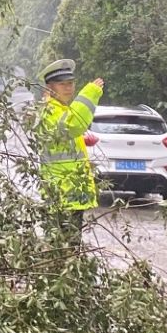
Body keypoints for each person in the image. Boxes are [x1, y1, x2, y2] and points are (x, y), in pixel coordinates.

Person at [34, 58, 103, 236]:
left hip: (70, 194)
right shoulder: (48, 109)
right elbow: (72, 125)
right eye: (62, 84)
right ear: (49, 87)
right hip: (61, 195)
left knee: (69, 252)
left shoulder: (62, 109)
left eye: (71, 83)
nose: (69, 88)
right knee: (63, 250)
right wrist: (90, 93)